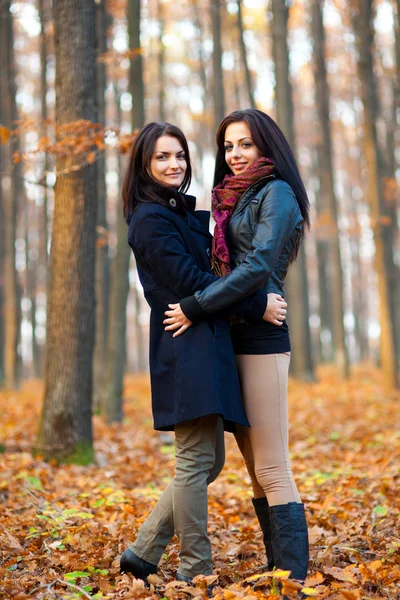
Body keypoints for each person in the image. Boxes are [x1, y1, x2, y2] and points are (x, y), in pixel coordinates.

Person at [119, 121, 285, 584]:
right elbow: (194, 281)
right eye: (162, 158)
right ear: (144, 166)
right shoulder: (150, 219)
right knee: (194, 461)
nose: (174, 165)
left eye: (179, 156)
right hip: (184, 345)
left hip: (205, 338)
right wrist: (257, 305)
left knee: (209, 461)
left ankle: (143, 549)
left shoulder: (173, 212)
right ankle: (197, 570)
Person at [164, 109, 310, 583]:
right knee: (253, 467)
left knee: (272, 465)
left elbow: (257, 267)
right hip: (235, 331)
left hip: (263, 337)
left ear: (266, 146)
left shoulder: (278, 193)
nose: (236, 155)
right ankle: (278, 571)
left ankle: (292, 580)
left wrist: (197, 305)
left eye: (245, 144)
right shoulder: (232, 199)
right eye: (229, 147)